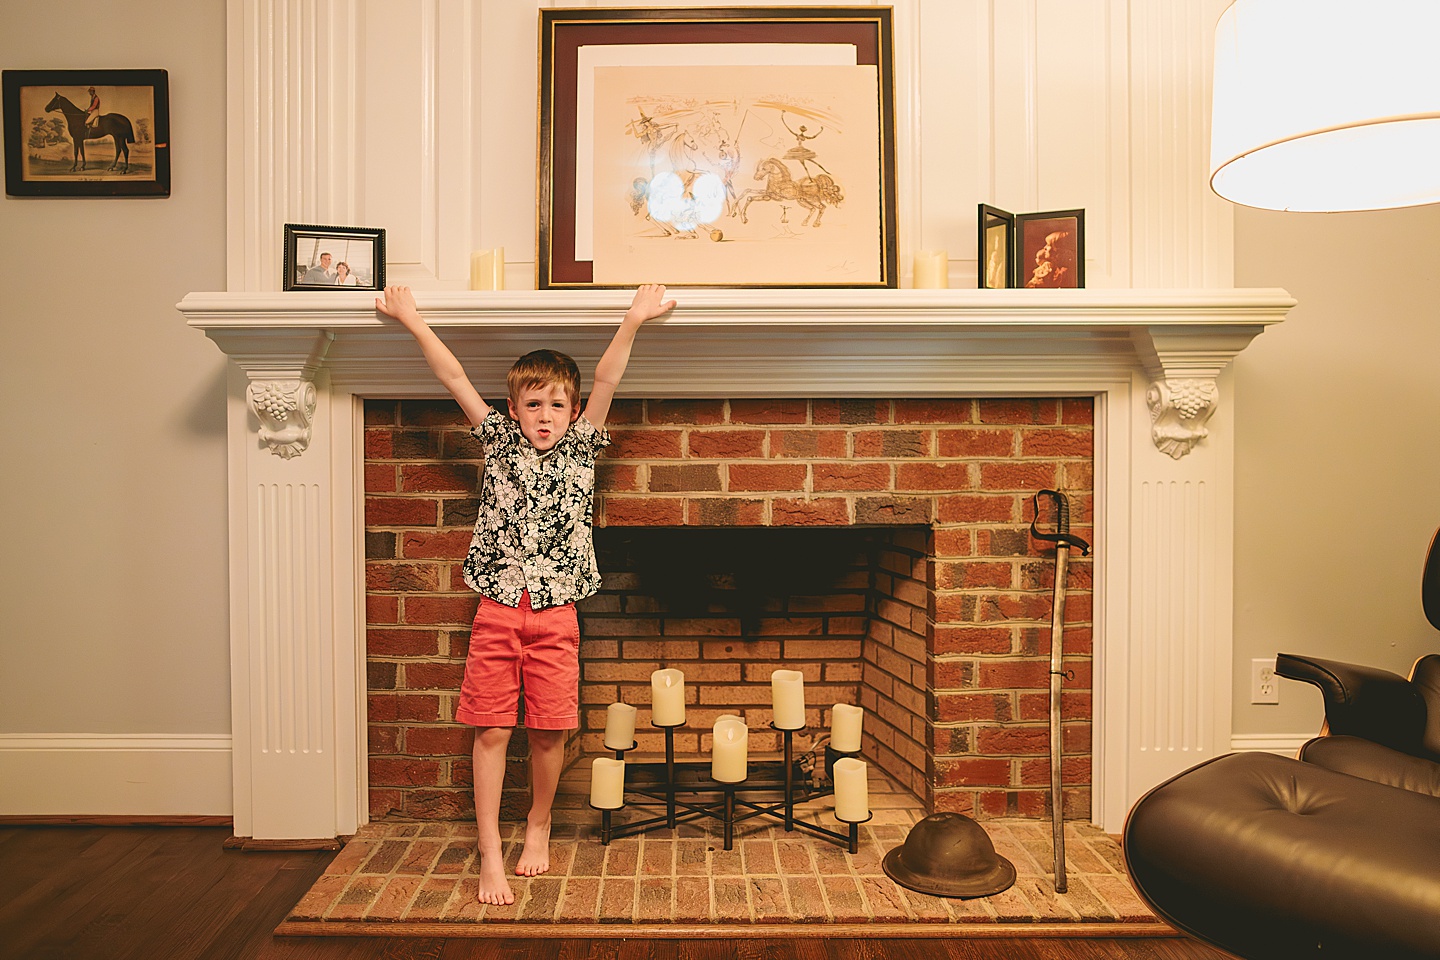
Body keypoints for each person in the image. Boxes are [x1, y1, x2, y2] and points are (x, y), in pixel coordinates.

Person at [374, 282, 677, 907]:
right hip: (497, 611)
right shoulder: (498, 443)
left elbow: (607, 378)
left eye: (556, 405)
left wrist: (634, 319)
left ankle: (537, 823)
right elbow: (454, 375)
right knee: (490, 731)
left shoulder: (582, 447)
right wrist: (412, 319)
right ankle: (490, 849)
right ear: (515, 409)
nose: (545, 415)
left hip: (558, 615)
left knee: (546, 731)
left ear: (571, 412)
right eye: (533, 404)